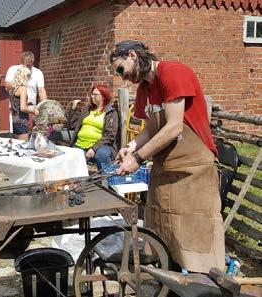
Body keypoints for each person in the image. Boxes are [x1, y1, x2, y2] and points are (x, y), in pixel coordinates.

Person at [110, 40, 224, 273]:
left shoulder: (172, 72)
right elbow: (151, 129)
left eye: (121, 69)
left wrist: (138, 159)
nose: (123, 77)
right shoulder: (144, 89)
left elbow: (174, 128)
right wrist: (130, 146)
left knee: (193, 228)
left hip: (193, 168)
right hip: (165, 166)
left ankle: (202, 280)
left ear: (132, 55)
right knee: (162, 223)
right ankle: (168, 273)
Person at [69, 84, 119, 170]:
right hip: (80, 144)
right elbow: (73, 125)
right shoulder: (87, 110)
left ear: (103, 96)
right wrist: (73, 109)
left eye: (95, 94)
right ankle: (80, 181)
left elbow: (110, 135)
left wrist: (94, 148)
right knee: (70, 156)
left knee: (102, 154)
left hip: (101, 146)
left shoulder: (111, 113)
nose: (92, 96)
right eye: (92, 94)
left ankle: (105, 179)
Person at [8, 66, 38, 140]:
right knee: (23, 147)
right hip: (21, 120)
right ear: (24, 76)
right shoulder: (22, 89)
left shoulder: (12, 88)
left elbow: (14, 106)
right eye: (28, 76)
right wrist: (34, 111)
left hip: (14, 119)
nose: (29, 79)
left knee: (15, 146)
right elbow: (23, 108)